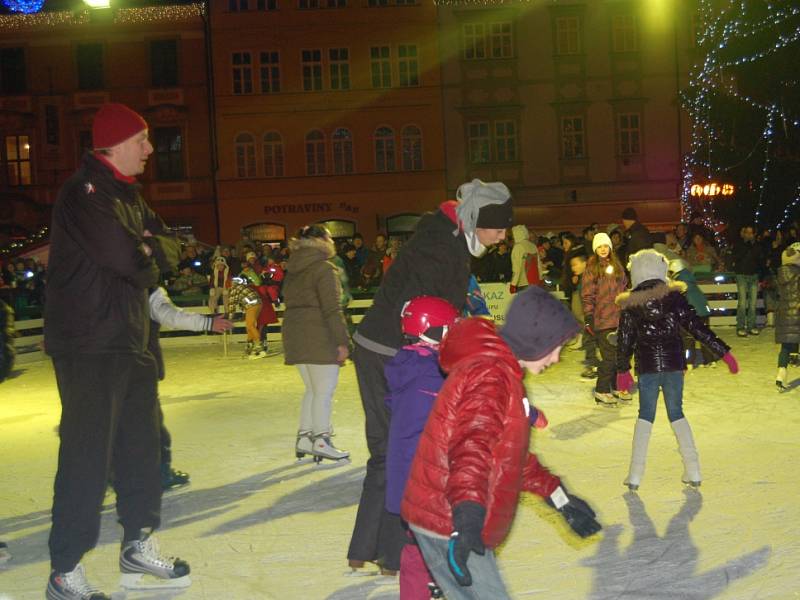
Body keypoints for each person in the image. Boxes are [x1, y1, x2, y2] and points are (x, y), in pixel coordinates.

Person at [43, 103, 189, 599]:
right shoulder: (83, 194)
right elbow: (127, 257)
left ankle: (137, 542)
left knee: (141, 451)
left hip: (132, 340)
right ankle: (65, 569)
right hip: (88, 345)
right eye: (143, 140)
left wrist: (151, 248)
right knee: (87, 456)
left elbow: (168, 246)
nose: (151, 150)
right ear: (116, 144)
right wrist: (144, 251)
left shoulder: (130, 196)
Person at [348, 179, 512, 575]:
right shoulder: (442, 247)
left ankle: (364, 547)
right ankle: (392, 554)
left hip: (379, 346)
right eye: (499, 226)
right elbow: (421, 312)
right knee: (407, 450)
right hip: (394, 353)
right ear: (476, 220)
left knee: (387, 451)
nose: (504, 235)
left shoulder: (446, 238)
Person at [401, 287, 601, 599]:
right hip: (448, 518)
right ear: (537, 341)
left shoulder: (501, 372)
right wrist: (466, 520)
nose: (557, 358)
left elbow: (509, 456)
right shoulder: (491, 376)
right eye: (555, 347)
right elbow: (471, 447)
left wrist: (560, 498)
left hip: (452, 512)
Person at [615, 249, 738, 490]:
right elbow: (696, 327)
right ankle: (693, 470)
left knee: (645, 416)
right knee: (676, 413)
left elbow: (625, 339)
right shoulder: (675, 298)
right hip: (673, 366)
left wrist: (622, 369)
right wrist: (723, 352)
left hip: (648, 368)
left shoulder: (631, 305)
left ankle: (635, 475)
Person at [384, 296, 459, 599]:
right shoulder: (429, 375)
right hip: (426, 476)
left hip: (411, 473)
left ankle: (430, 583)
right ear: (432, 332)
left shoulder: (411, 364)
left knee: (421, 541)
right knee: (434, 540)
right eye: (448, 330)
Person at [147, 287, 233, 490]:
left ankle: (106, 475)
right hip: (136, 365)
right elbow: (170, 315)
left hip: (96, 365)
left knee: (110, 425)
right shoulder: (144, 284)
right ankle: (160, 472)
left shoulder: (94, 277)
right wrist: (207, 322)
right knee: (150, 424)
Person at [282, 225, 351, 463]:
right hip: (319, 335)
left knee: (312, 390)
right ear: (323, 240)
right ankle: (321, 439)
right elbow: (332, 308)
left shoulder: (293, 269)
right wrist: (342, 341)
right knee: (323, 392)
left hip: (296, 334)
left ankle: (304, 437)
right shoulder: (324, 269)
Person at [581, 232, 629, 405]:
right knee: (609, 357)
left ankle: (616, 386)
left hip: (619, 318)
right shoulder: (592, 268)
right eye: (599, 247)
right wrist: (588, 316)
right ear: (595, 249)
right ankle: (601, 389)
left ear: (610, 247)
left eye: (605, 246)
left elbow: (624, 289)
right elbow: (587, 295)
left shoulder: (617, 267)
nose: (603, 249)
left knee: (619, 355)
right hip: (602, 320)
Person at [774, 242, 800, 390]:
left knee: (785, 347)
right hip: (797, 311)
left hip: (784, 312)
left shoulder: (781, 273)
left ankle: (781, 374)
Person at [732, 225, 765, 337]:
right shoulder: (738, 244)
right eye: (747, 232)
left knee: (753, 302)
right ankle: (740, 326)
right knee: (742, 302)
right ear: (744, 233)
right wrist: (746, 245)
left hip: (753, 275)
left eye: (751, 233)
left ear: (754, 234)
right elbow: (736, 257)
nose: (749, 235)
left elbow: (759, 259)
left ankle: (751, 326)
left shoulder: (757, 245)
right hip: (741, 274)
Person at [509, 224, 540, 292]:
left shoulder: (518, 247)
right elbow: (539, 265)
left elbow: (517, 268)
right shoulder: (533, 246)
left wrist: (513, 284)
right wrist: (540, 278)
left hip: (524, 282)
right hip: (535, 280)